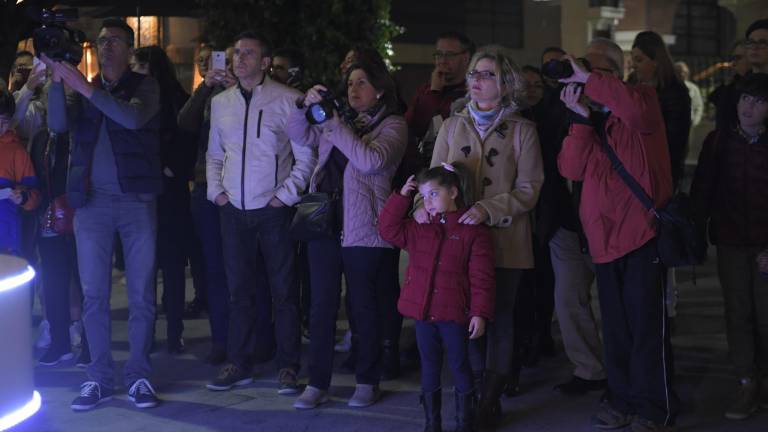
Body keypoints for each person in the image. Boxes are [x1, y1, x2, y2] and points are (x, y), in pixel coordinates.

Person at [417, 47, 543, 430]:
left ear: (505, 83)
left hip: (506, 240)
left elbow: (530, 188)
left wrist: (490, 208)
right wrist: (421, 208)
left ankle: (490, 399)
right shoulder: (452, 125)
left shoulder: (523, 130)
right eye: (474, 73)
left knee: (499, 319)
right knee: (464, 318)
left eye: (485, 74)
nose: (476, 80)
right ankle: (467, 396)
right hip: (458, 242)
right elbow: (433, 177)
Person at [44, 18, 163, 411]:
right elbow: (58, 124)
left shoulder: (145, 86)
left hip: (136, 202)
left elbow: (130, 118)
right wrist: (59, 81)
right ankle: (98, 377)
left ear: (129, 49)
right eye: (101, 41)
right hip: (91, 204)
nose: (107, 46)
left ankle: (139, 375)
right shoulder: (86, 90)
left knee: (142, 294)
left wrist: (83, 86)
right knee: (94, 296)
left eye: (115, 40)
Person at [558, 43, 676, 431]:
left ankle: (652, 408)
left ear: (613, 73)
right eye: (580, 68)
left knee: (646, 329)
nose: (582, 75)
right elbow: (571, 169)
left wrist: (587, 77)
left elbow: (636, 112)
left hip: (642, 236)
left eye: (591, 69)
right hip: (603, 241)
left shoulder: (642, 101)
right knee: (617, 329)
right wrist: (579, 120)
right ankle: (622, 398)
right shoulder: (592, 121)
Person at [287, 59, 406, 409]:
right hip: (324, 221)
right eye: (350, 83)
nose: (353, 89)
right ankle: (317, 382)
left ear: (381, 89)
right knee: (321, 306)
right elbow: (298, 133)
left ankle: (368, 380)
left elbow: (370, 161)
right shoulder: (335, 120)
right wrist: (303, 105)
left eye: (363, 82)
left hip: (364, 227)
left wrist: (338, 127)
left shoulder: (393, 125)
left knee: (363, 307)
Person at [205, 31, 316, 395]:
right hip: (233, 209)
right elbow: (215, 153)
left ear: (266, 62)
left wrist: (283, 197)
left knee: (283, 291)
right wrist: (217, 193)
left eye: (248, 53)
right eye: (236, 52)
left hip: (272, 210)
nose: (239, 58)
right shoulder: (221, 102)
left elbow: (305, 157)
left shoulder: (289, 101)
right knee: (239, 290)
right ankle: (239, 361)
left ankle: (288, 365)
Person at [379, 165, 495, 432]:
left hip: (455, 315)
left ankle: (465, 422)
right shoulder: (419, 229)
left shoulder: (473, 232)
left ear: (453, 192)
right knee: (429, 367)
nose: (428, 202)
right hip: (424, 315)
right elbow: (387, 228)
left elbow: (482, 278)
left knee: (459, 365)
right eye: (423, 196)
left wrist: (479, 312)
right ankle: (433, 423)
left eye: (434, 194)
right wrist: (403, 197)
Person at [691, 73, 768, 421]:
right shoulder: (719, 141)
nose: (749, 108)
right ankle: (747, 380)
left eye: (758, 101)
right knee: (738, 312)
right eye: (744, 100)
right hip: (731, 241)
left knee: (765, 315)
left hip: (764, 243)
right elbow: (703, 191)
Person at [131, 45, 194, 354]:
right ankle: (151, 330)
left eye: (139, 67)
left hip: (168, 191)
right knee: (145, 264)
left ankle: (173, 330)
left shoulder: (173, 98)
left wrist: (170, 167)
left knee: (170, 264)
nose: (135, 73)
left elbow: (187, 138)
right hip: (145, 189)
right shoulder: (133, 99)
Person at [177, 43, 237, 365]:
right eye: (204, 62)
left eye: (222, 61)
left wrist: (234, 89)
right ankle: (221, 340)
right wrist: (205, 88)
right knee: (214, 268)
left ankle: (246, 338)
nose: (213, 66)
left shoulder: (244, 91)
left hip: (242, 189)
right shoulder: (205, 94)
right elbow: (184, 122)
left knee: (241, 268)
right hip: (206, 187)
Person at [30, 124, 91, 369]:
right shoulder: (42, 137)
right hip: (49, 217)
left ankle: (89, 345)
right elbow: (35, 175)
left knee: (87, 283)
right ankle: (59, 343)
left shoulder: (82, 132)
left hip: (82, 213)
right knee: (54, 282)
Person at [630, 31, 691, 190]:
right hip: (631, 167)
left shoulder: (675, 93)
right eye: (633, 59)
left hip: (659, 171)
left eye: (639, 60)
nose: (633, 65)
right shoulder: (632, 84)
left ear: (656, 61)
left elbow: (675, 141)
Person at [405, 31, 474, 162]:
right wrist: (434, 92)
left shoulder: (472, 93)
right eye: (438, 55)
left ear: (465, 57)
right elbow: (412, 127)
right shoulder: (427, 89)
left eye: (449, 55)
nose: (442, 61)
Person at [0, 88, 39, 255]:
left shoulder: (17, 152)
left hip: (6, 239)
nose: (0, 126)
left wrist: (22, 197)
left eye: (4, 121)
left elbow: (35, 196)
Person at [709, 40, 751, 131]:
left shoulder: (754, 88)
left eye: (738, 58)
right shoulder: (732, 84)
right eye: (733, 58)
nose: (734, 63)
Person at [674, 61, 703, 128]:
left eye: (684, 72)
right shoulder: (668, 87)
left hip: (688, 124)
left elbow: (698, 106)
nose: (682, 74)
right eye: (679, 71)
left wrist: (695, 121)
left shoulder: (693, 88)